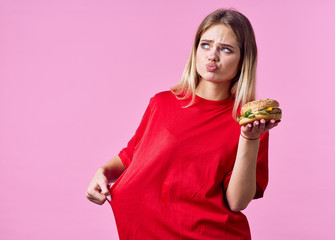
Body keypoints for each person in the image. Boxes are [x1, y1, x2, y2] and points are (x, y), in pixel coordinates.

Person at [86, 8, 280, 239]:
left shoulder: (250, 123)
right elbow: (133, 154)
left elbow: (237, 201)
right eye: (205, 45)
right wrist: (103, 172)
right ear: (195, 50)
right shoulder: (162, 103)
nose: (212, 56)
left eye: (226, 49)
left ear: (242, 61)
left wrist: (249, 138)